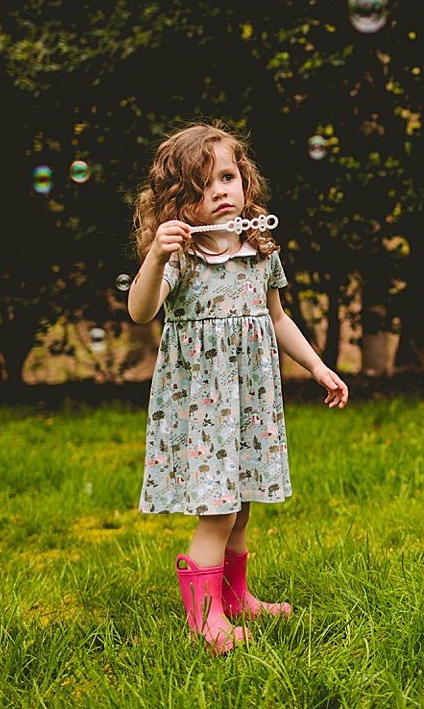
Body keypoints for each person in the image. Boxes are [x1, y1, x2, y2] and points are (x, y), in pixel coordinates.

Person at [128, 122, 349, 654]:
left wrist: (318, 367)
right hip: (202, 404)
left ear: (245, 180)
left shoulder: (260, 248)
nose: (220, 191)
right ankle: (205, 619)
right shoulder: (181, 257)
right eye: (202, 187)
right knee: (218, 508)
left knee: (243, 500)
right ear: (179, 202)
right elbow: (141, 310)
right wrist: (156, 255)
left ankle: (236, 596)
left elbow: (277, 318)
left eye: (227, 177)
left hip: (249, 403)